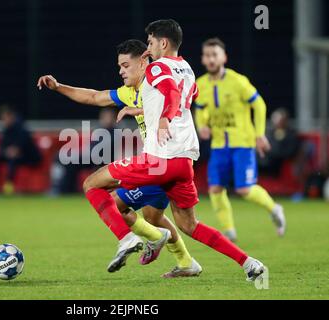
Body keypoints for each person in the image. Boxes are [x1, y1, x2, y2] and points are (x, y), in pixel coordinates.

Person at [82, 19, 266, 281]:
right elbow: (186, 98)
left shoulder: (157, 67)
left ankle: (125, 239)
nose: (148, 48)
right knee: (189, 224)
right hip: (184, 161)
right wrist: (146, 110)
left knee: (92, 184)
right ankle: (249, 263)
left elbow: (169, 92)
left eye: (150, 42)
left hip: (160, 158)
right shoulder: (188, 69)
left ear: (163, 43)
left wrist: (164, 117)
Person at [37, 39, 200, 278]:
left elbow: (176, 100)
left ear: (143, 61)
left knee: (112, 202)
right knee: (153, 217)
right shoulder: (129, 92)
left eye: (125, 65)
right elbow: (94, 97)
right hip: (158, 162)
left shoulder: (157, 82)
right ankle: (183, 260)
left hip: (164, 160)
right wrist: (58, 86)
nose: (121, 71)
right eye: (119, 67)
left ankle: (134, 240)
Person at [194, 38, 286, 242]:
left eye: (214, 55)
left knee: (244, 189)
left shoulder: (238, 81)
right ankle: (229, 231)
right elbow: (199, 110)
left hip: (242, 144)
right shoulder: (200, 85)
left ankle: (274, 208)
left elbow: (259, 104)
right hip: (219, 146)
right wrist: (201, 125)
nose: (210, 59)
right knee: (215, 188)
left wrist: (259, 133)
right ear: (203, 59)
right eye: (207, 55)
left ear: (223, 57)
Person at [0, 104, 42, 195]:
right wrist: (6, 151)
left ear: (11, 116)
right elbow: (3, 146)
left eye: (5, 118)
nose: (3, 121)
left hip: (30, 157)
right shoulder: (6, 130)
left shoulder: (22, 129)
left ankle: (9, 186)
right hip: (15, 156)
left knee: (13, 159)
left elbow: (22, 147)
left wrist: (14, 151)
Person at [259, 108, 300, 176]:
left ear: (285, 120)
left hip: (276, 163)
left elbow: (289, 152)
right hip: (264, 160)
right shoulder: (269, 132)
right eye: (275, 119)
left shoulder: (290, 134)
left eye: (279, 120)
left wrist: (269, 150)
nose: (276, 122)